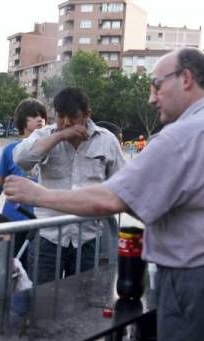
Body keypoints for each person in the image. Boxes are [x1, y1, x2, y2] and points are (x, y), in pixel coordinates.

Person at [4, 48, 204, 341]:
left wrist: (38, 195)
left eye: (155, 85)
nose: (151, 98)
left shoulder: (183, 136)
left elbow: (113, 197)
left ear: (186, 79)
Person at [13, 87, 125, 285]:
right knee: (42, 301)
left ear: (87, 114)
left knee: (83, 300)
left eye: (72, 117)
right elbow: (21, 159)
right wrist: (60, 136)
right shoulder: (45, 135)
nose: (65, 122)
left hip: (89, 237)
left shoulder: (106, 140)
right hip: (48, 237)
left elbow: (124, 182)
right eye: (60, 116)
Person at [0, 98, 47, 268]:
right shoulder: (10, 150)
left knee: (36, 271)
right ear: (22, 121)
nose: (40, 119)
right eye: (33, 116)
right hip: (13, 220)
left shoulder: (51, 149)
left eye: (42, 116)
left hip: (42, 222)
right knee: (12, 269)